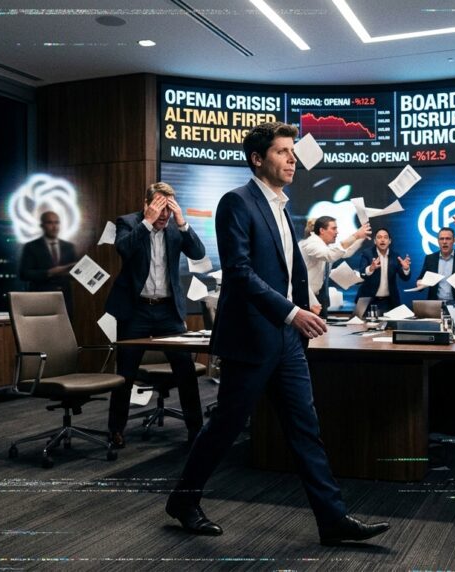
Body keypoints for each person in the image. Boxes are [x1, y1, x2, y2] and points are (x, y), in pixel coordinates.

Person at [165, 122, 389, 546]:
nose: (292, 159)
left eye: (292, 151)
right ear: (258, 159)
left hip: (286, 341)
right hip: (252, 338)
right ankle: (183, 500)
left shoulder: (283, 207)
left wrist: (303, 305)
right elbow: (239, 273)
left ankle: (332, 520)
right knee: (226, 427)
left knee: (306, 429)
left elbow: (289, 271)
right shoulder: (237, 202)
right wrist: (292, 312)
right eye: (283, 152)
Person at [105, 182, 207, 448]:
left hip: (167, 310)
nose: (164, 216)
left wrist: (182, 222)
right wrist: (147, 223)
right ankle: (116, 430)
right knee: (125, 374)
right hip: (135, 309)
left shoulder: (175, 227)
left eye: (168, 210)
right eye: (159, 209)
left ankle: (196, 430)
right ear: (147, 204)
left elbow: (198, 253)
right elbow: (124, 250)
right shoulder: (128, 223)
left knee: (184, 370)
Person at [298, 216, 370, 317]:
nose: (337, 232)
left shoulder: (325, 245)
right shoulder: (310, 244)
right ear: (321, 230)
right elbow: (330, 255)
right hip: (306, 298)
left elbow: (345, 252)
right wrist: (356, 235)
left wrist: (360, 238)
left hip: (316, 297)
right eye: (334, 228)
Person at [18, 211, 78, 316]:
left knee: (64, 332)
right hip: (41, 300)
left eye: (57, 223)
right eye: (50, 223)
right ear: (42, 225)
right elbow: (24, 274)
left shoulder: (69, 246)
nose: (54, 227)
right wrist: (49, 272)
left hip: (64, 300)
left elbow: (74, 273)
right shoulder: (31, 247)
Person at [420, 227, 455, 312]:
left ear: (454, 241)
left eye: (448, 238)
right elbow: (421, 280)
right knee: (435, 326)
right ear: (438, 241)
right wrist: (420, 283)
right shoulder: (430, 259)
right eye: (441, 239)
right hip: (436, 306)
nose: (444, 242)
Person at [357, 228, 411, 313]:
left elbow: (405, 278)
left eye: (385, 237)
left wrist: (406, 269)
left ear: (389, 241)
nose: (382, 240)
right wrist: (371, 268)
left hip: (389, 302)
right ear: (375, 241)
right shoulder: (367, 253)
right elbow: (362, 273)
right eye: (379, 237)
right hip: (369, 301)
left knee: (391, 326)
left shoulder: (395, 256)